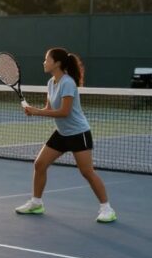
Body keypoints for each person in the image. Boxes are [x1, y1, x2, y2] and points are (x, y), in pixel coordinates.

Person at [17, 48, 116, 223]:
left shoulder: (68, 83)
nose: (44, 62)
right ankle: (36, 203)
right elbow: (49, 109)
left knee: (87, 172)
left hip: (78, 133)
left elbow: (64, 112)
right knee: (40, 164)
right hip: (62, 134)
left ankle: (107, 208)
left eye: (47, 59)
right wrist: (34, 110)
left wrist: (37, 112)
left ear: (57, 63)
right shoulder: (51, 82)